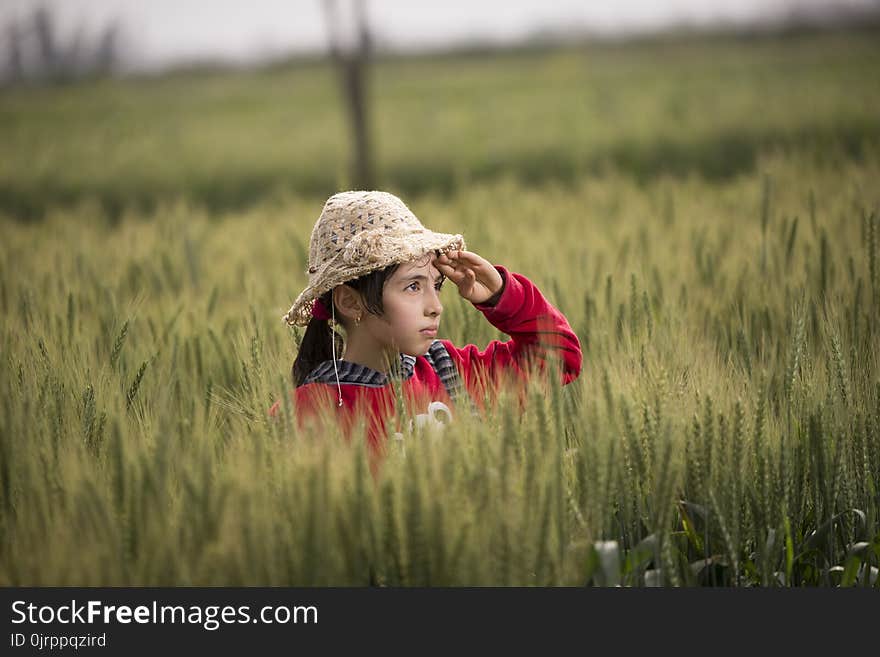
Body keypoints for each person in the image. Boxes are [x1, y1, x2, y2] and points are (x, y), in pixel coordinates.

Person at [269, 190, 582, 461]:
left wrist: (502, 293)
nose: (435, 307)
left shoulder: (456, 375)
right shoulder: (299, 415)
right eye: (413, 287)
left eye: (436, 285)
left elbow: (561, 357)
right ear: (350, 302)